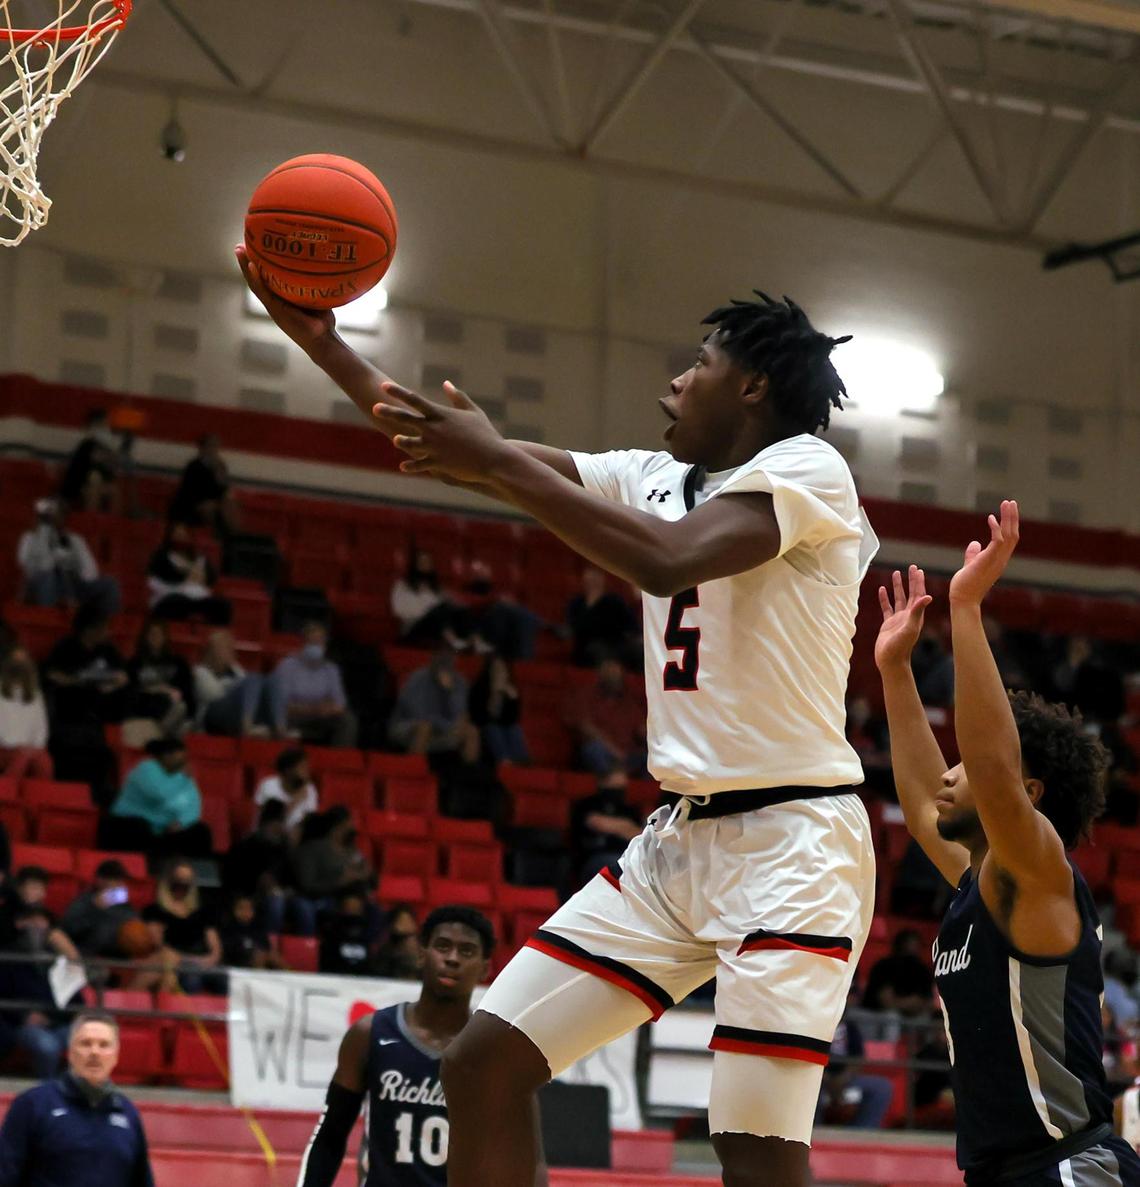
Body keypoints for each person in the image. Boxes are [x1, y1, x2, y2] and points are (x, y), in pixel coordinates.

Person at [241, 253, 877, 1187]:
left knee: (753, 1149)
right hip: (679, 843)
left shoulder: (809, 469)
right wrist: (326, 344)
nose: (675, 378)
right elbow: (450, 443)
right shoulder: (653, 475)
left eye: (696, 362)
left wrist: (500, 460)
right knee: (479, 1062)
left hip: (793, 846)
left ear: (751, 385)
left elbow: (666, 562)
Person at [875, 502, 1140, 1184]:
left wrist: (965, 608)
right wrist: (895, 672)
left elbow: (990, 767)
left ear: (1031, 791)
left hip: (1072, 1165)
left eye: (964, 763)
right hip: (1001, 1171)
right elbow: (921, 797)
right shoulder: (982, 883)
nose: (951, 771)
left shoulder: (1038, 869)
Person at [297, 907, 538, 1187]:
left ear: (486, 967)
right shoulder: (370, 1033)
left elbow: (519, 1157)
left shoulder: (495, 1052)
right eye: (443, 947)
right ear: (422, 954)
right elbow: (330, 1135)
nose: (452, 959)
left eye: (467, 951)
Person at [0, 1011, 154, 1187]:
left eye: (104, 1045)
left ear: (116, 1056)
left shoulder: (128, 1114)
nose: (94, 1052)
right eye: (85, 1043)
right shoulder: (32, 1105)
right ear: (71, 1052)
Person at [105, 737, 212, 857]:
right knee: (139, 827)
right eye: (179, 757)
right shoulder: (146, 769)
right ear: (166, 756)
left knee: (201, 831)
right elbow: (159, 794)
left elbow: (194, 804)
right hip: (129, 823)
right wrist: (182, 779)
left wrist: (182, 822)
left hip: (163, 829)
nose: (183, 762)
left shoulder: (182, 776)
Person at [18, 498, 120, 617]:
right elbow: (26, 565)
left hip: (74, 585)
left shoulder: (75, 540)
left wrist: (73, 568)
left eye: (59, 514)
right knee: (50, 575)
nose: (54, 519)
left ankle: (102, 627)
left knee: (109, 584)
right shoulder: (30, 537)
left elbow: (91, 571)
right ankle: (49, 617)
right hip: (42, 583)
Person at [291, 806, 376, 937]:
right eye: (350, 823)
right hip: (321, 900)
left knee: (375, 911)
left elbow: (373, 881)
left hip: (352, 900)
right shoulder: (312, 849)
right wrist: (340, 881)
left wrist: (367, 874)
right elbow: (306, 885)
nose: (353, 827)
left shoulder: (353, 852)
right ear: (338, 826)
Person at [141, 860, 223, 993]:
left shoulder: (203, 911)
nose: (183, 884)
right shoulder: (155, 911)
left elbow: (215, 948)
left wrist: (209, 959)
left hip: (204, 962)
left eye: (187, 880)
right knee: (192, 981)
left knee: (225, 980)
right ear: (168, 881)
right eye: (179, 879)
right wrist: (189, 960)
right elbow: (159, 944)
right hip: (176, 962)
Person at [815, 991, 894, 1130]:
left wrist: (844, 1078)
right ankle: (814, 1130)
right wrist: (825, 1078)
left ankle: (863, 1129)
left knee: (882, 1087)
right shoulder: (814, 1027)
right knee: (811, 1089)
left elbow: (858, 1057)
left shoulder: (850, 1027)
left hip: (846, 1078)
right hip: (817, 1077)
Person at [270, 621, 356, 748]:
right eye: (312, 642)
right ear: (303, 643)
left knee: (347, 720)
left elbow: (340, 704)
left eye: (320, 642)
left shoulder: (331, 669)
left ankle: (340, 761)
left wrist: (328, 709)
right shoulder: (287, 666)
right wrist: (312, 709)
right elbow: (280, 703)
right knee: (277, 717)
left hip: (320, 718)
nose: (317, 646)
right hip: (293, 717)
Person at [388, 645, 479, 762]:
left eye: (450, 657)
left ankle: (469, 776)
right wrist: (445, 724)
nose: (446, 661)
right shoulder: (418, 678)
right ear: (433, 658)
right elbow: (417, 713)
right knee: (425, 727)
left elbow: (460, 713)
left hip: (443, 728)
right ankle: (413, 768)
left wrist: (448, 692)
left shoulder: (459, 682)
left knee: (472, 731)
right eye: (442, 656)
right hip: (407, 725)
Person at [221, 800, 294, 934]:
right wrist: (260, 883)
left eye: (281, 823)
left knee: (301, 905)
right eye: (275, 823)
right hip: (249, 894)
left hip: (279, 894)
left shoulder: (284, 848)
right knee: (275, 904)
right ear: (265, 823)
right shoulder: (246, 845)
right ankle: (270, 942)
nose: (279, 828)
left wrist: (284, 890)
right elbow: (233, 879)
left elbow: (291, 879)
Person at [566, 655, 646, 777]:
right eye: (609, 673)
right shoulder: (586, 696)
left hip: (627, 755)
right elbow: (586, 728)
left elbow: (641, 729)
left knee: (651, 758)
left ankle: (645, 794)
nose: (614, 677)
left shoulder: (629, 701)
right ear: (600, 674)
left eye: (616, 674)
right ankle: (610, 785)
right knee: (593, 749)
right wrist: (613, 750)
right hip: (603, 751)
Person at [146, 520, 231, 625]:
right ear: (170, 535)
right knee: (176, 602)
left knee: (222, 605)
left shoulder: (200, 558)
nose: (181, 537)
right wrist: (186, 575)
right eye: (177, 534)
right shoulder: (161, 556)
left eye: (183, 534)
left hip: (198, 598)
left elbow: (211, 578)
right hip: (171, 596)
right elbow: (163, 575)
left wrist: (202, 577)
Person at [194, 628, 274, 737]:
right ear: (210, 651)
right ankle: (248, 728)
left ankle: (271, 727)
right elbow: (215, 695)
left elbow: (248, 693)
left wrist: (234, 668)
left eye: (230, 648)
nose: (230, 652)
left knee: (258, 679)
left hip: (233, 717)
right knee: (251, 681)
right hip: (210, 719)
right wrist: (238, 690)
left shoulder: (235, 670)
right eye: (224, 648)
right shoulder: (200, 671)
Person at [568, 770, 643, 884]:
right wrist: (625, 826)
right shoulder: (587, 804)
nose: (617, 791)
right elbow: (597, 823)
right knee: (619, 866)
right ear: (602, 782)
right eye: (613, 786)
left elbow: (639, 835)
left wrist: (614, 825)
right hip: (593, 857)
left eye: (621, 787)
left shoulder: (628, 809)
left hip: (624, 855)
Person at [126, 618, 195, 738]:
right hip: (146, 708)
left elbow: (186, 693)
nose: (155, 637)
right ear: (145, 637)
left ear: (165, 637)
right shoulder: (135, 663)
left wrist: (171, 692)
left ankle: (159, 734)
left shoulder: (178, 663)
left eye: (159, 634)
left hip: (171, 708)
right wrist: (159, 689)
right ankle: (161, 735)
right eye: (152, 634)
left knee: (181, 708)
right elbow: (131, 691)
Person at [60, 859, 139, 961]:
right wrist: (95, 910)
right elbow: (69, 929)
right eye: (116, 880)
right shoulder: (84, 902)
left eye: (122, 881)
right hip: (90, 958)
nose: (121, 885)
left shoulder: (125, 907)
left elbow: (135, 929)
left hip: (120, 958)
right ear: (101, 881)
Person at [390, 550, 469, 649]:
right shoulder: (402, 585)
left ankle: (470, 642)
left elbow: (453, 605)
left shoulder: (437, 588)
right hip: (413, 627)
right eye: (421, 562)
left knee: (461, 610)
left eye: (428, 563)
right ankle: (453, 640)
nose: (425, 565)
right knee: (439, 609)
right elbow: (398, 610)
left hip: (435, 627)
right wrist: (426, 602)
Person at [565, 567, 639, 669]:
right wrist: (591, 604)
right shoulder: (577, 603)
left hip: (617, 643)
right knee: (601, 652)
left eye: (596, 578)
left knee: (639, 649)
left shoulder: (615, 601)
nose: (593, 583)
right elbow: (576, 629)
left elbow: (631, 624)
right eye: (590, 580)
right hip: (589, 646)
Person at [168, 434, 239, 534]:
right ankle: (216, 536)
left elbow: (223, 489)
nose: (213, 450)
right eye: (211, 446)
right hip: (191, 503)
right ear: (202, 448)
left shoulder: (220, 467)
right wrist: (208, 501)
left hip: (212, 502)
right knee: (208, 508)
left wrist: (220, 479)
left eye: (216, 446)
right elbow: (189, 491)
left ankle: (236, 536)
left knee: (231, 505)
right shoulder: (193, 466)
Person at [0, 647, 53, 781]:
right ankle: (6, 794)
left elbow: (41, 728)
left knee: (44, 761)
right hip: (5, 747)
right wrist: (21, 747)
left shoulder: (36, 695)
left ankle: (41, 799)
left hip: (28, 749)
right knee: (21, 758)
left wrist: (35, 748)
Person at [58, 410, 125, 514]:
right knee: (94, 486)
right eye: (104, 424)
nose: (106, 427)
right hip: (78, 482)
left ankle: (114, 523)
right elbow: (80, 465)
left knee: (114, 490)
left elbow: (111, 465)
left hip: (97, 480)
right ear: (95, 424)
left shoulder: (105, 445)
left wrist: (113, 458)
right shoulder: (85, 442)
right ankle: (90, 520)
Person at [468, 653, 529, 766]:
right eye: (496, 669)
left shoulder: (511, 690)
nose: (500, 673)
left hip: (505, 728)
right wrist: (495, 695)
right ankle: (504, 761)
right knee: (493, 729)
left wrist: (513, 700)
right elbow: (482, 717)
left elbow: (513, 719)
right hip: (484, 728)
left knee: (514, 729)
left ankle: (522, 762)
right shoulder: (479, 688)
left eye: (502, 669)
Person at [860, 928, 934, 1016]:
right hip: (876, 1014)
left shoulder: (923, 970)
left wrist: (915, 1004)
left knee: (927, 1018)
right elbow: (885, 1001)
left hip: (912, 1016)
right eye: (908, 945)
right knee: (892, 1016)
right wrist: (908, 1003)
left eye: (916, 945)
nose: (913, 949)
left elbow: (929, 1002)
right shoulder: (885, 966)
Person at [254, 746, 319, 836]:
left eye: (306, 766)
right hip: (268, 840)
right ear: (288, 770)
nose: (307, 770)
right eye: (302, 767)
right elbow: (268, 825)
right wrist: (296, 800)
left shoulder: (310, 789)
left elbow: (308, 822)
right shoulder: (268, 785)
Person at [318, 889, 377, 976]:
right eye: (349, 907)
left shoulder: (368, 932)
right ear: (342, 908)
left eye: (356, 908)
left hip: (363, 980)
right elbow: (327, 963)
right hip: (335, 977)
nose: (352, 910)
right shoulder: (331, 933)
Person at [219, 893, 282, 970]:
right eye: (241, 908)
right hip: (238, 964)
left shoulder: (258, 928)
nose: (245, 912)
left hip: (262, 962)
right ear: (234, 910)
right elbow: (228, 952)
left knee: (273, 956)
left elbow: (266, 948)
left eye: (249, 908)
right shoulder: (228, 929)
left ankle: (292, 976)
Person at [374, 904, 422, 980]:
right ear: (393, 925)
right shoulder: (386, 949)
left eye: (409, 921)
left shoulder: (423, 947)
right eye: (402, 921)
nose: (406, 925)